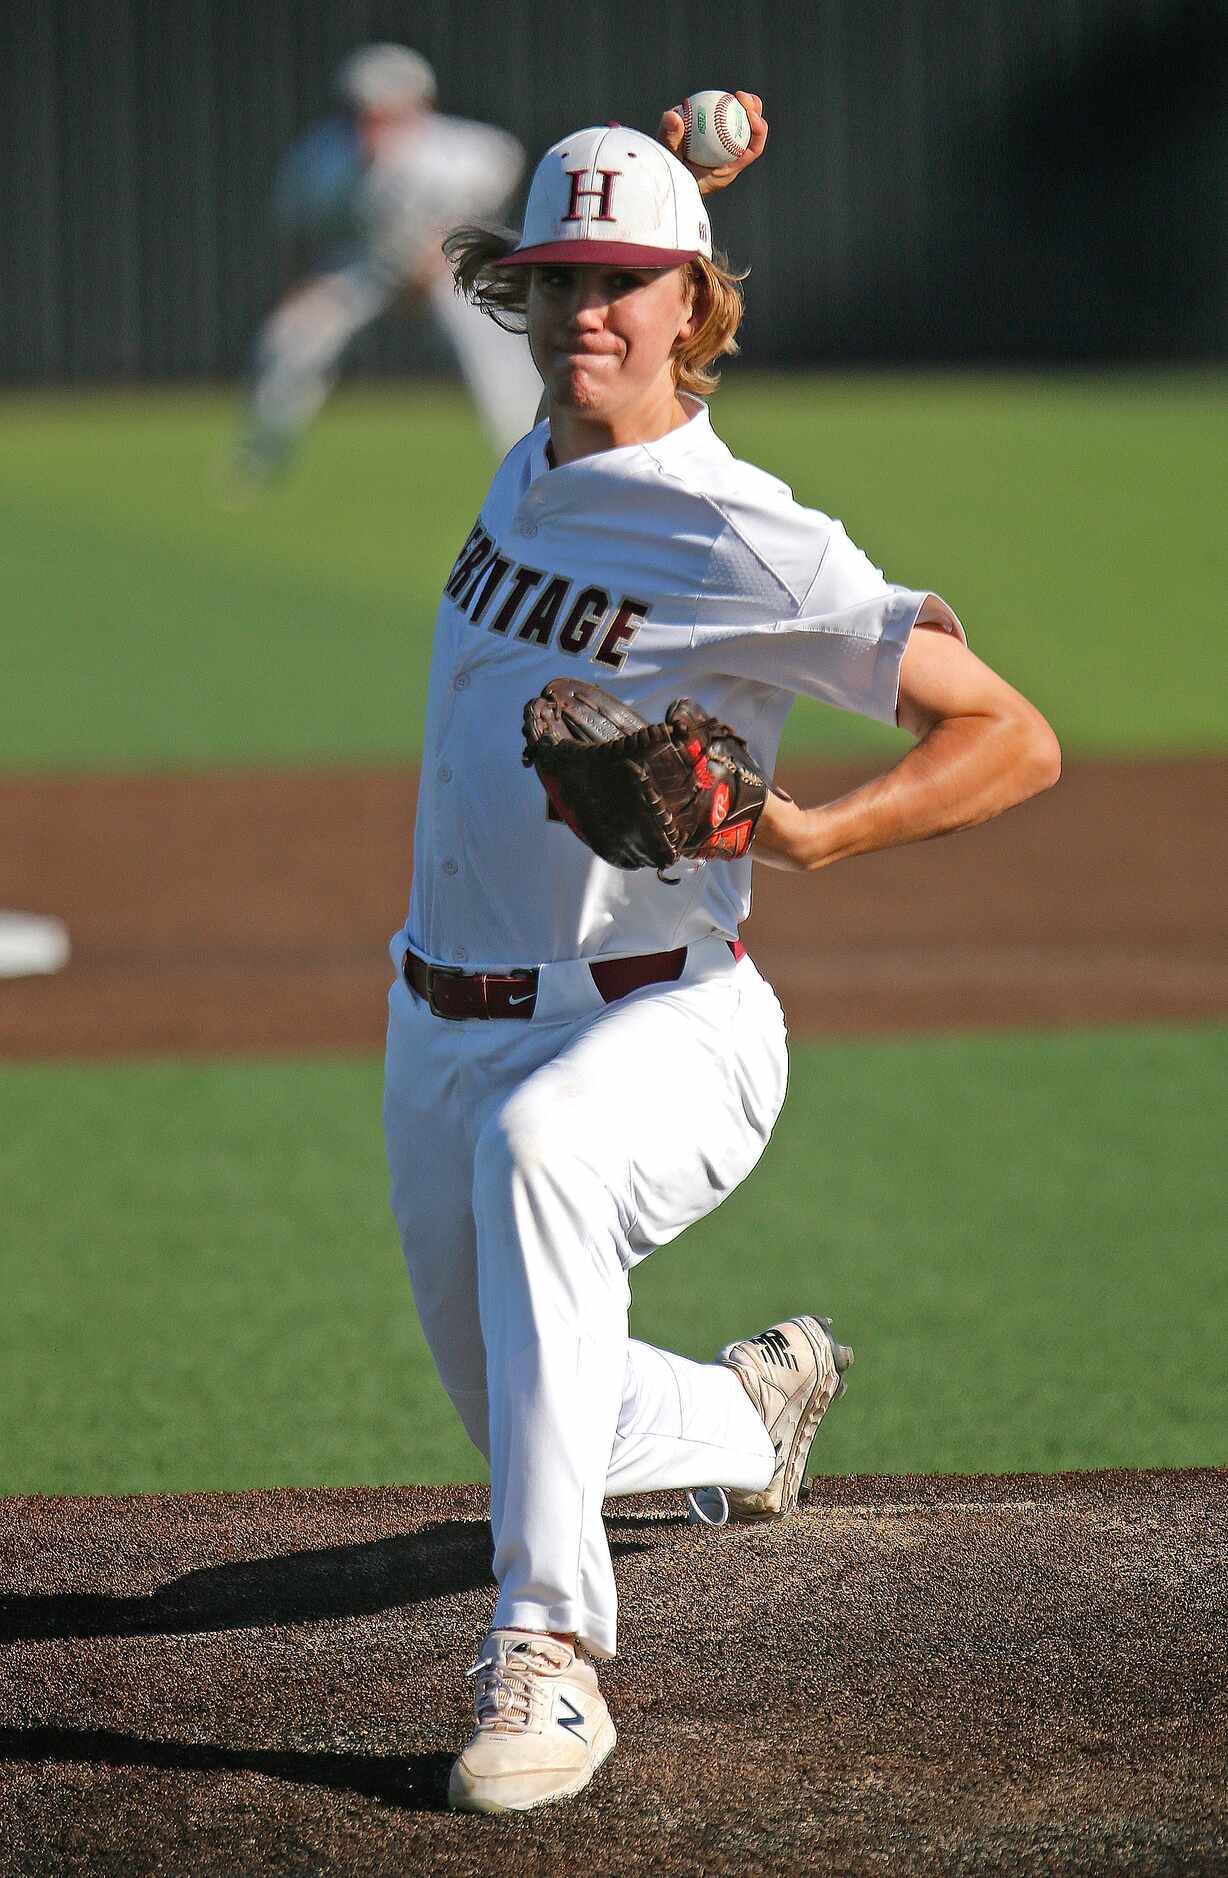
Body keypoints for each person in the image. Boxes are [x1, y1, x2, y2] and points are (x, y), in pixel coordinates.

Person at [381, 94, 1061, 1815]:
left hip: (666, 1025)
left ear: (695, 303)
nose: (582, 314)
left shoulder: (738, 528)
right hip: (436, 1024)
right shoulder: (535, 451)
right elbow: (612, 248)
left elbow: (1010, 737)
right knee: (547, 1410)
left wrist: (816, 833)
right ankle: (744, 1421)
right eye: (553, 282)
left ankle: (547, 1658)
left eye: (625, 284)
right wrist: (676, 177)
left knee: (544, 1171)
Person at [232, 43, 540, 483]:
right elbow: (296, 228)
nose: (374, 124)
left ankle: (528, 458)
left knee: (494, 348)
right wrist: (302, 281)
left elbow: (504, 168)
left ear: (421, 106)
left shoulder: (463, 151)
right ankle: (261, 457)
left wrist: (455, 241)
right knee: (292, 336)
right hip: (368, 264)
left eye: (389, 112)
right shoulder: (324, 159)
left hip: (448, 263)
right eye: (365, 112)